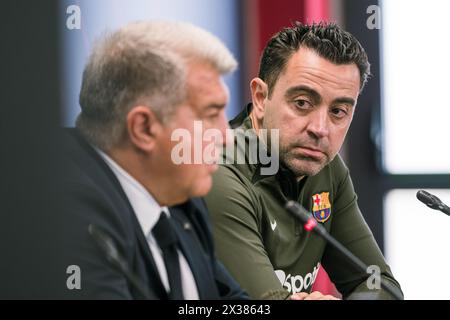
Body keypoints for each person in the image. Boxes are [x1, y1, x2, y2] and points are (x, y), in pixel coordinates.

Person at [204, 22, 403, 300]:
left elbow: (382, 286)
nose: (320, 129)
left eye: (338, 111)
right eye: (302, 103)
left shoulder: (327, 167)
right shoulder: (218, 174)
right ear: (261, 98)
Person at [59, 21, 248, 300]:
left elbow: (231, 300)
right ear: (144, 128)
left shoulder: (179, 193)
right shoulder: (68, 219)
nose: (227, 137)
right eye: (211, 114)